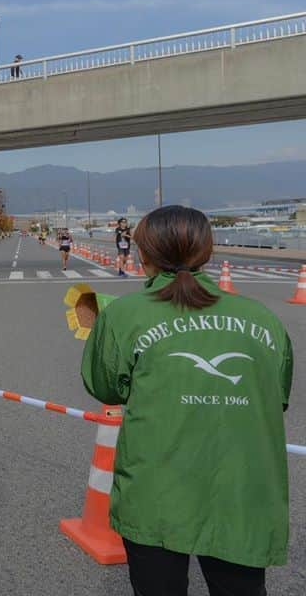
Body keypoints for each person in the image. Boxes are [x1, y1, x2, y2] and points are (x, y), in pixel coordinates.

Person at [82, 205, 293, 596]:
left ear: (143, 253)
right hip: (242, 490)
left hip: (156, 490)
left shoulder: (125, 315)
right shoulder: (262, 319)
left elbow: (105, 387)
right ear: (207, 252)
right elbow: (276, 397)